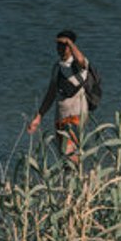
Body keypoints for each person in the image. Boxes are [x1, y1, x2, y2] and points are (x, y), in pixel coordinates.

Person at [26, 30, 90, 163]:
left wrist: (70, 43)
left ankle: (75, 179)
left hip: (76, 116)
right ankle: (69, 181)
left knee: (70, 154)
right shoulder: (57, 67)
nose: (59, 48)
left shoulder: (78, 65)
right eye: (58, 45)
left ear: (71, 46)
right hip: (60, 116)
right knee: (63, 153)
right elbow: (51, 93)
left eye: (63, 45)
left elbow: (80, 60)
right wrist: (39, 117)